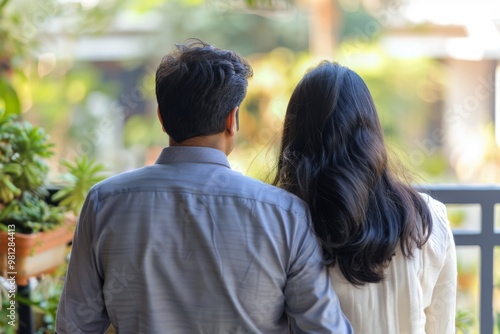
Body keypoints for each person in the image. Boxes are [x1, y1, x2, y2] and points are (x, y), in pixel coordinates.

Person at [55, 40, 352, 334]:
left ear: (161, 117)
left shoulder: (104, 202)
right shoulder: (286, 215)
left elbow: (75, 326)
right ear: (231, 120)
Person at [273, 61, 457, 334]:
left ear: (295, 136)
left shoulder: (278, 222)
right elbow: (441, 327)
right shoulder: (429, 219)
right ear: (371, 130)